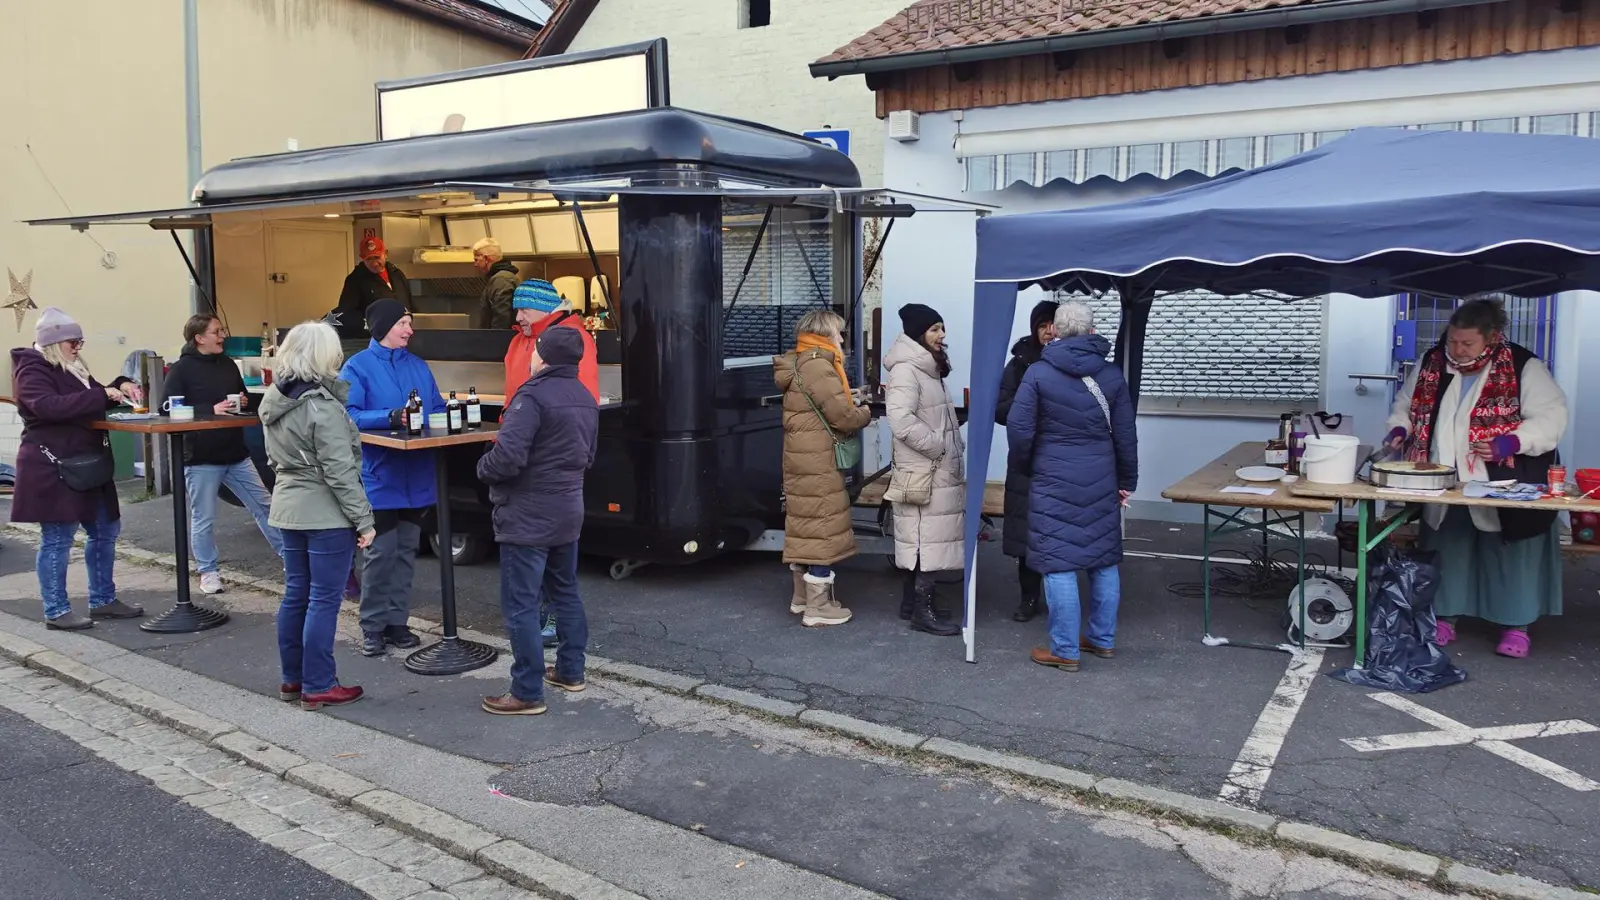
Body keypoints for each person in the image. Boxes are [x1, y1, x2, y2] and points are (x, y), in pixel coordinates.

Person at [1385, 299, 1567, 658]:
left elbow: (1551, 417)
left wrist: (1513, 441)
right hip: (1445, 479)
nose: (1457, 349)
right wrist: (1399, 429)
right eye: (1453, 341)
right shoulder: (1431, 363)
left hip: (1504, 481)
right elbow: (1405, 406)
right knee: (1449, 547)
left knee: (1509, 554)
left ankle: (1515, 626)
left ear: (1491, 338)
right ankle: (1445, 618)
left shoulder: (1521, 365)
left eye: (1467, 343)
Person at [1008, 300, 1138, 672]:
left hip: (1053, 478)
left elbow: (1019, 430)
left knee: (1058, 562)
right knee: (1104, 559)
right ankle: (1102, 639)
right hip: (1100, 476)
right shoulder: (1112, 376)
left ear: (1058, 332)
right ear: (1092, 331)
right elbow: (1126, 435)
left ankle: (1065, 649)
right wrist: (1126, 480)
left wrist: (1026, 465)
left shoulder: (1038, 374)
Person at [476, 326, 599, 715]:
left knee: (521, 605)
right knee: (565, 591)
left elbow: (507, 457)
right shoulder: (583, 396)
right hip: (568, 508)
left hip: (528, 513)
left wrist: (482, 466)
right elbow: (589, 456)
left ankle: (527, 691)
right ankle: (570, 671)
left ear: (541, 356)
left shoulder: (530, 396)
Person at [259, 321, 376, 710]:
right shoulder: (321, 406)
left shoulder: (275, 398)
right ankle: (320, 683)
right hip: (324, 513)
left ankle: (293, 678)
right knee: (324, 600)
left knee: (296, 595)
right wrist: (364, 520)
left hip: (288, 506)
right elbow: (340, 471)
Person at [9, 308, 146, 629]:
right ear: (54, 342)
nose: (78, 347)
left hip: (86, 465)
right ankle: (56, 611)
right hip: (54, 466)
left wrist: (120, 386)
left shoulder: (69, 367)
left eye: (80, 341)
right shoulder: (32, 369)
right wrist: (101, 394)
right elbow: (46, 406)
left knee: (105, 530)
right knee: (58, 538)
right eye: (74, 341)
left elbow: (91, 397)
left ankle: (103, 600)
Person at [339, 298, 446, 657]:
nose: (410, 330)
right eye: (403, 323)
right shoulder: (357, 367)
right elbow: (348, 414)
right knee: (380, 554)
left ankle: (398, 623)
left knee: (405, 553)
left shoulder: (418, 365)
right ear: (384, 327)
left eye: (410, 323)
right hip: (380, 476)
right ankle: (372, 626)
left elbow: (437, 410)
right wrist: (391, 416)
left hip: (417, 476)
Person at [162, 314, 285, 594]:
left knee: (265, 505)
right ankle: (208, 572)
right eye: (217, 332)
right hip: (201, 457)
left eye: (222, 331)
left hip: (236, 453)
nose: (222, 336)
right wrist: (209, 411)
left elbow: (240, 395)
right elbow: (166, 408)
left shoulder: (228, 364)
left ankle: (290, 559)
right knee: (203, 517)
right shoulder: (181, 370)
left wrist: (242, 399)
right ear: (199, 338)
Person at [773, 309, 872, 627]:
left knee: (806, 524)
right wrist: (865, 413)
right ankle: (818, 608)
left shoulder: (800, 360)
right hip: (819, 461)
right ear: (825, 333)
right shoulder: (820, 365)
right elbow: (842, 417)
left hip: (801, 458)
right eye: (838, 332)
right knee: (822, 526)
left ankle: (801, 598)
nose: (842, 338)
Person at [884, 304, 966, 637]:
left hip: (934, 470)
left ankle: (911, 603)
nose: (942, 334)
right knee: (924, 539)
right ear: (919, 333)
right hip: (925, 469)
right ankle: (923, 610)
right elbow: (901, 421)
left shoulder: (927, 368)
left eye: (942, 327)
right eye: (934, 329)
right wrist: (939, 446)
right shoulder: (908, 369)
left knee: (923, 537)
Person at [995, 299, 1059, 623]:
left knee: (1058, 534)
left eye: (1053, 324)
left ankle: (1061, 600)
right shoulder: (1019, 363)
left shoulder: (1071, 362)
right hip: (1025, 459)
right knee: (1025, 535)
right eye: (1042, 325)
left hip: (1060, 460)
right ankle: (1028, 598)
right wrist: (1030, 412)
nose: (1048, 331)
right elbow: (1000, 407)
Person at [503, 279, 599, 402]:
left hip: (555, 420)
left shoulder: (571, 337)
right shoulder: (517, 341)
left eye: (524, 310)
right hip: (517, 419)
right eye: (517, 311)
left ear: (545, 310)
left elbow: (585, 396)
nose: (518, 318)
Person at [333, 237, 411, 339]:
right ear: (362, 258)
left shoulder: (397, 274)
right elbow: (347, 312)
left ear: (385, 254)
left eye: (377, 257)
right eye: (369, 259)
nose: (374, 263)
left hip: (403, 334)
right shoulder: (355, 279)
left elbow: (409, 301)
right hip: (374, 338)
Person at [472, 237, 521, 331]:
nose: (475, 264)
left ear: (486, 258)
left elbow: (502, 317)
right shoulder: (502, 278)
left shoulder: (501, 280)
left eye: (476, 260)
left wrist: (494, 340)